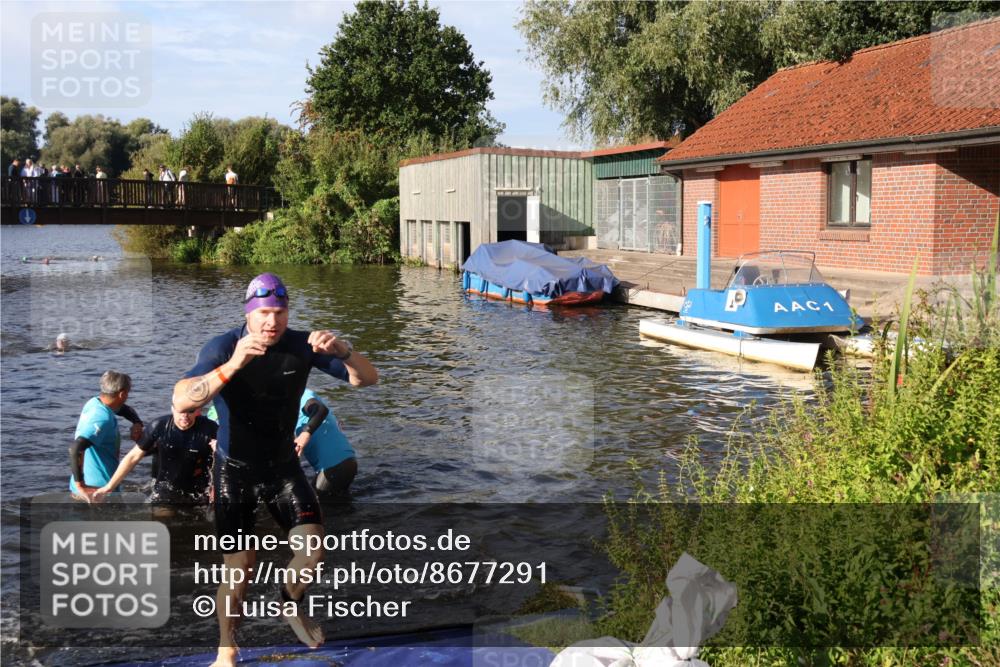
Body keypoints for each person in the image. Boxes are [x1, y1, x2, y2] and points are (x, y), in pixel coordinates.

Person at [172, 273, 377, 667]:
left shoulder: (303, 345)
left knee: (313, 550)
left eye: (279, 312)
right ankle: (226, 649)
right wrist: (233, 364)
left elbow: (368, 379)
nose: (272, 322)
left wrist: (345, 350)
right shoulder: (224, 346)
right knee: (240, 567)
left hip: (283, 467)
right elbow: (182, 399)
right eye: (264, 313)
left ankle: (290, 602)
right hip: (235, 470)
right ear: (249, 314)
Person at [93, 403, 218, 510]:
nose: (185, 416)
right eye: (181, 411)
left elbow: (228, 460)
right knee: (162, 525)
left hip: (199, 492)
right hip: (166, 490)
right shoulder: (159, 425)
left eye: (190, 411)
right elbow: (133, 457)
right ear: (173, 409)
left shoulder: (210, 428)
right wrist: (109, 487)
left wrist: (221, 451)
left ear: (197, 411)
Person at [69, 371, 145, 502]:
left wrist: (137, 422)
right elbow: (75, 448)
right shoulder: (102, 419)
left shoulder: (95, 403)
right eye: (128, 393)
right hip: (97, 491)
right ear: (122, 394)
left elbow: (124, 409)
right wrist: (80, 486)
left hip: (90, 489)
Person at [295, 389, 358, 496]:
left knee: (318, 506)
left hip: (334, 467)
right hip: (346, 461)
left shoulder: (302, 394)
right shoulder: (287, 405)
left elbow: (320, 410)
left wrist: (306, 433)